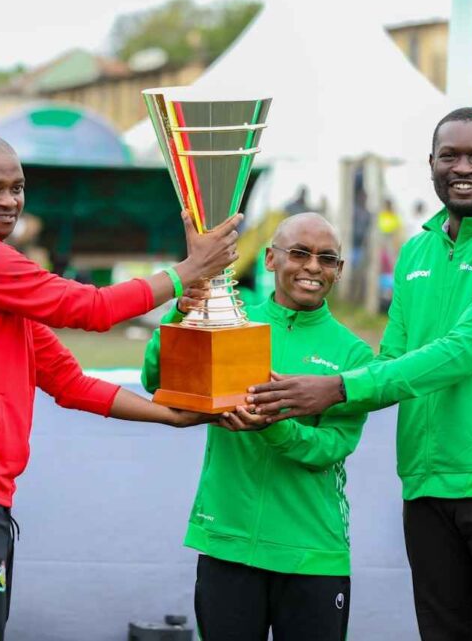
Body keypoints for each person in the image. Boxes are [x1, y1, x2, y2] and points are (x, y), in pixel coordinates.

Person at [0, 132, 242, 641]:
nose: (9, 201)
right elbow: (91, 309)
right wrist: (187, 272)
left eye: (18, 187)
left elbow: (69, 382)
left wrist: (169, 415)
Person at [242, 108, 472, 641]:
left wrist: (336, 387)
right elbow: (389, 359)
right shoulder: (417, 250)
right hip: (426, 482)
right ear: (431, 164)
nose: (463, 167)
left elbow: (462, 351)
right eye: (450, 155)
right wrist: (279, 397)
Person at [142, 212, 373, 641]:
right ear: (270, 259)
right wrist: (180, 312)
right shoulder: (228, 318)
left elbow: (331, 448)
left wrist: (272, 426)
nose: (311, 267)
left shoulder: (353, 354)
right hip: (227, 541)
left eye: (326, 259)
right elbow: (158, 380)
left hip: (311, 551)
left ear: (338, 271)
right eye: (299, 253)